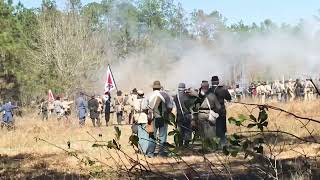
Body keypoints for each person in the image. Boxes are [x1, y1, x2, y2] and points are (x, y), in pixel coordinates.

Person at [146, 80, 174, 157]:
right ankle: (161, 153)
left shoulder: (149, 95)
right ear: (160, 88)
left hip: (151, 118)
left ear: (153, 88)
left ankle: (150, 153)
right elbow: (170, 107)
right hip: (163, 117)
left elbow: (145, 107)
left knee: (151, 136)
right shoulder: (165, 95)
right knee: (162, 136)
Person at [209, 76, 232, 147]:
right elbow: (229, 98)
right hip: (221, 111)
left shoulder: (209, 90)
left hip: (211, 111)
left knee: (212, 127)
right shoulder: (222, 89)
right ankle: (222, 142)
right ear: (218, 81)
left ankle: (213, 143)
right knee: (222, 127)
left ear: (211, 82)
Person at [173, 83, 192, 148]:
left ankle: (180, 144)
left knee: (180, 130)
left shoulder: (176, 96)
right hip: (187, 115)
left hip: (179, 115)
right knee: (187, 129)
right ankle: (186, 144)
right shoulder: (187, 95)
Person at [132, 90, 149, 154]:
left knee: (139, 135)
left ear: (138, 94)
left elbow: (135, 109)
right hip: (145, 118)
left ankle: (141, 150)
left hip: (138, 118)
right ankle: (145, 150)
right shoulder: (146, 100)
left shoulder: (135, 101)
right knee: (146, 135)